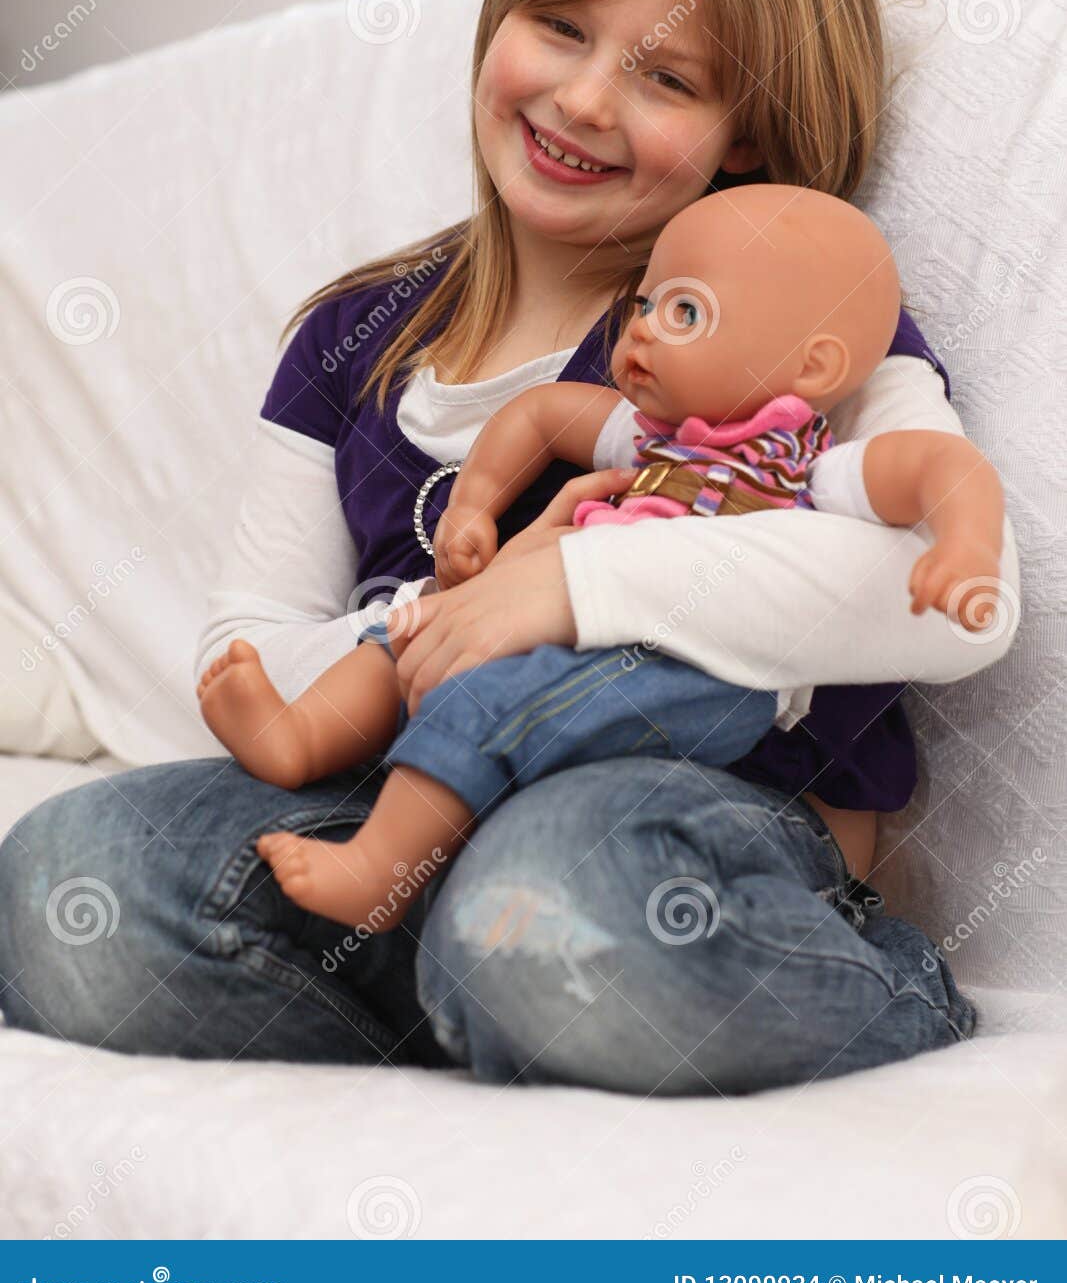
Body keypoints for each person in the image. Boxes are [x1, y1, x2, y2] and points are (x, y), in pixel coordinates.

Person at [0, 0, 1016, 1095]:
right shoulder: (354, 333)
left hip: (687, 820)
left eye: (667, 78)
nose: (582, 99)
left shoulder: (790, 329)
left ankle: (838, 990)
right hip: (406, 807)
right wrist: (437, 623)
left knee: (547, 895)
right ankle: (499, 992)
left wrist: (568, 589)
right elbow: (248, 631)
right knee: (55, 884)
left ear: (744, 138)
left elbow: (955, 604)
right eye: (560, 27)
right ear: (500, 22)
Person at [193, 186, 1005, 935]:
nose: (643, 329)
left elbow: (940, 470)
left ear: (813, 365)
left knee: (495, 701)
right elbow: (541, 415)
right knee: (408, 639)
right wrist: (473, 504)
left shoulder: (805, 463)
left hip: (702, 669)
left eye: (685, 312)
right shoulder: (646, 435)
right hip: (571, 642)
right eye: (644, 305)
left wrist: (965, 549)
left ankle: (383, 868)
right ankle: (298, 736)